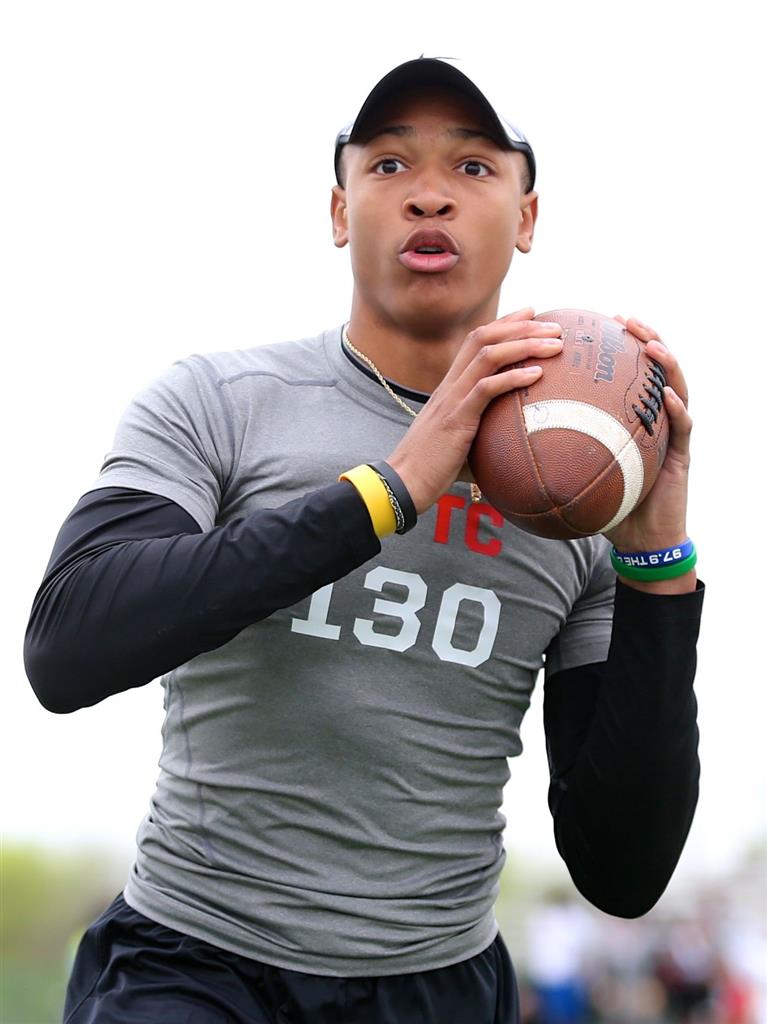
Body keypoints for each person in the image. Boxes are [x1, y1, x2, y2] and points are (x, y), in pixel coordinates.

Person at [24, 56, 704, 1024]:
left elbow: (623, 869)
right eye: (387, 166)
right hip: (195, 960)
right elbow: (67, 646)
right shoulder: (217, 403)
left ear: (526, 217)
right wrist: (389, 489)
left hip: (433, 981)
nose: (428, 194)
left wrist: (653, 567)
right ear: (340, 210)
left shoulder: (581, 492)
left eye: (472, 168)